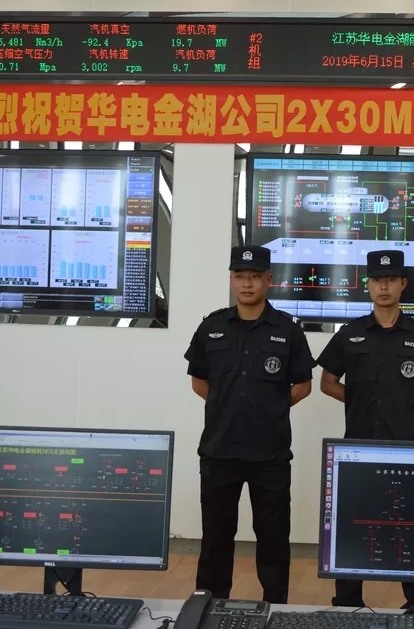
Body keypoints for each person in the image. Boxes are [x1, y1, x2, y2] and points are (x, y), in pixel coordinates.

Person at [316, 249, 414, 610]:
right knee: (354, 525)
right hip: (358, 450)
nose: (384, 287)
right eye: (378, 280)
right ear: (368, 285)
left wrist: (413, 403)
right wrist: (360, 399)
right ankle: (348, 604)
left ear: (403, 284)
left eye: (391, 280)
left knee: (410, 526)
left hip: (407, 449)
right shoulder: (350, 334)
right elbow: (327, 382)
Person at [183, 245, 315, 604]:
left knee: (273, 537)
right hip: (219, 451)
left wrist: (269, 408)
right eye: (240, 276)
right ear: (231, 279)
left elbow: (303, 385)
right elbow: (199, 382)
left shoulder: (287, 330)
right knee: (216, 537)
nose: (246, 284)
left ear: (268, 280)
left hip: (269, 455)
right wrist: (228, 406)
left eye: (254, 277)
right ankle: (210, 605)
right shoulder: (211, 327)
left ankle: (276, 606)